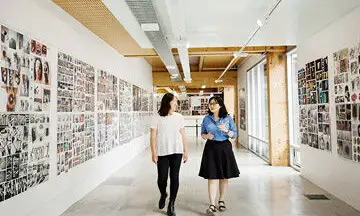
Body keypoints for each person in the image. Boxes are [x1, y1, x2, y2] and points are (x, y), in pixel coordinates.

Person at [199, 96, 240, 215]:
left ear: (220, 105)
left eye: (214, 104)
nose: (212, 106)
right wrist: (206, 136)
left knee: (223, 177)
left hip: (224, 148)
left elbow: (234, 135)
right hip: (211, 148)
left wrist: (227, 131)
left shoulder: (227, 118)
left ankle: (221, 200)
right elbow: (202, 133)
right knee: (212, 176)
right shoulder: (206, 119)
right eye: (210, 104)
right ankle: (212, 204)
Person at [150, 93, 188, 216]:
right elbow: (153, 136)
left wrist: (185, 151)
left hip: (177, 150)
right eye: (174, 101)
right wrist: (153, 152)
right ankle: (163, 194)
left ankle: (171, 203)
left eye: (176, 102)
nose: (176, 104)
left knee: (175, 177)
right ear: (168, 103)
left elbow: (183, 134)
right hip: (162, 152)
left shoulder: (179, 117)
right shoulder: (157, 117)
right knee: (162, 178)